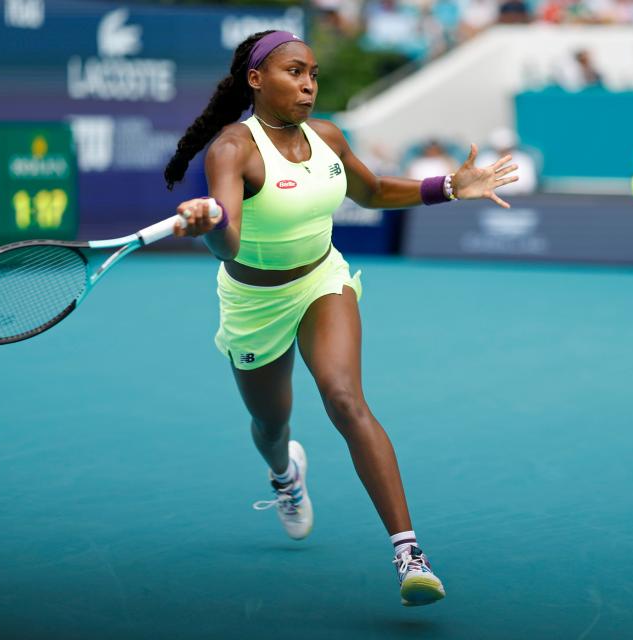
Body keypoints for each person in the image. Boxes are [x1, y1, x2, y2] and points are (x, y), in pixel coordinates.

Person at [162, 30, 518, 607]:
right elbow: (229, 241)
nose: (308, 85)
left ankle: (409, 553)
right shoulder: (233, 149)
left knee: (344, 398)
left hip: (321, 280)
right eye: (294, 73)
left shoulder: (327, 135)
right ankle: (285, 475)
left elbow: (373, 191)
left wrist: (451, 185)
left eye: (313, 74)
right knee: (272, 425)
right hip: (254, 301)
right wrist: (208, 227)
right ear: (256, 79)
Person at [476, 127, 538, 195]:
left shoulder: (524, 160)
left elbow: (528, 186)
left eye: (507, 149)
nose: (504, 152)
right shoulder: (484, 160)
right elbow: (478, 184)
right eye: (501, 149)